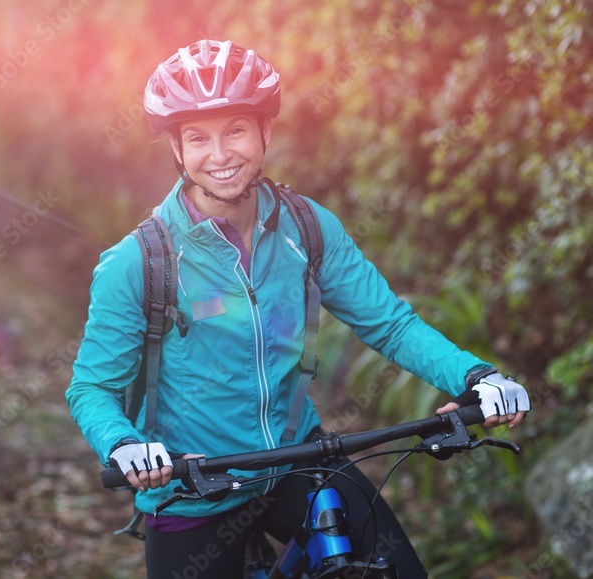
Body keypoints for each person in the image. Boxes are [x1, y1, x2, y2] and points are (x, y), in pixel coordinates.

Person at [65, 39, 530, 578]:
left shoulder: (307, 228)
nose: (220, 155)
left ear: (265, 132)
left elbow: (391, 325)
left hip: (300, 460)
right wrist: (124, 444)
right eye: (198, 138)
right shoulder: (138, 261)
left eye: (235, 130)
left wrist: (475, 376)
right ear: (177, 149)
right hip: (193, 484)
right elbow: (92, 387)